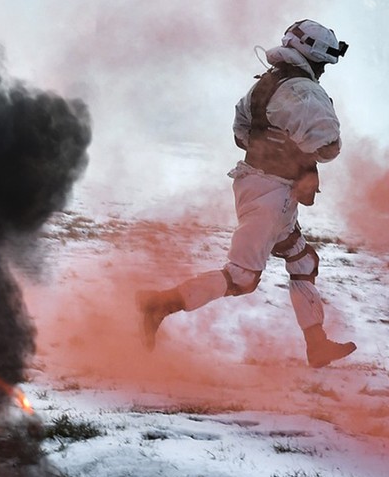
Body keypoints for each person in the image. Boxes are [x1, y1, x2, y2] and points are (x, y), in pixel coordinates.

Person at [136, 19, 356, 368]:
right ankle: (159, 304)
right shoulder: (305, 91)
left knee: (302, 261)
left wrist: (281, 151)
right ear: (313, 57)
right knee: (242, 277)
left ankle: (317, 345)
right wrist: (300, 160)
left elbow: (242, 133)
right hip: (274, 194)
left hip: (256, 183)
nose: (322, 71)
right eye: (323, 64)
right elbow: (327, 145)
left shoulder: (266, 84)